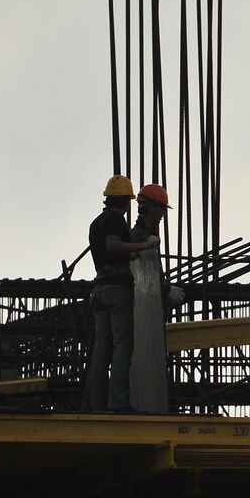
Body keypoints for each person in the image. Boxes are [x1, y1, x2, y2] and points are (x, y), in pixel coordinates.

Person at [85, 175, 159, 412]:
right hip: (117, 291)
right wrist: (143, 246)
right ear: (126, 202)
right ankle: (117, 402)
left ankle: (96, 403)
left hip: (99, 289)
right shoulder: (116, 220)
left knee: (101, 349)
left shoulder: (95, 222)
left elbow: (109, 252)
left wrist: (131, 254)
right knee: (122, 348)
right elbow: (112, 245)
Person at [127, 183, 184, 413]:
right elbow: (144, 281)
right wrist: (165, 290)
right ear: (149, 208)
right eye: (161, 209)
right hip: (143, 321)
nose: (162, 215)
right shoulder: (140, 238)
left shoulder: (146, 235)